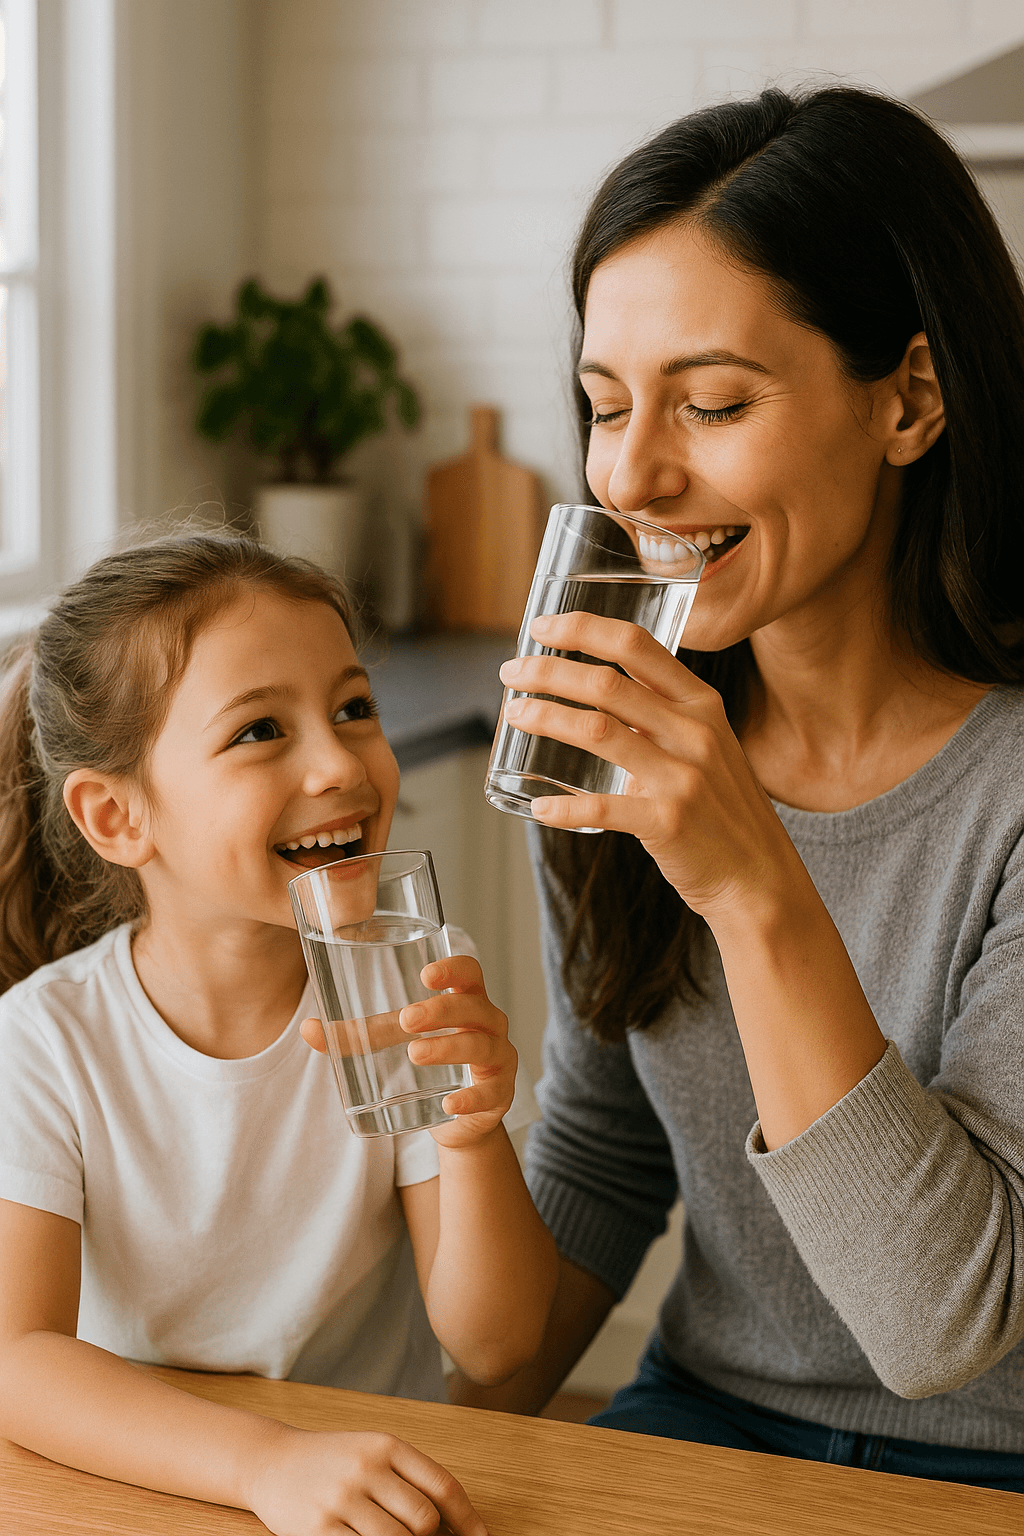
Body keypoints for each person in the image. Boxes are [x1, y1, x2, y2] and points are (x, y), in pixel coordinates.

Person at [451, 85, 1024, 1491]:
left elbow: (944, 1324)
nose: (635, 473)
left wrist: (749, 880)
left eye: (713, 402)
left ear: (911, 398)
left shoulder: (1001, 794)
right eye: (604, 405)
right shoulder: (624, 733)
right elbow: (602, 1160)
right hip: (699, 1430)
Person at [0, 530, 557, 1535]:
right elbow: (16, 1362)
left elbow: (495, 1344)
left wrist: (472, 1135)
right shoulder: (43, 1044)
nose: (339, 763)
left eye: (354, 708)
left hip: (364, 1500)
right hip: (142, 1486)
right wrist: (264, 1465)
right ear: (118, 817)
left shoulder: (404, 983)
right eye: (261, 730)